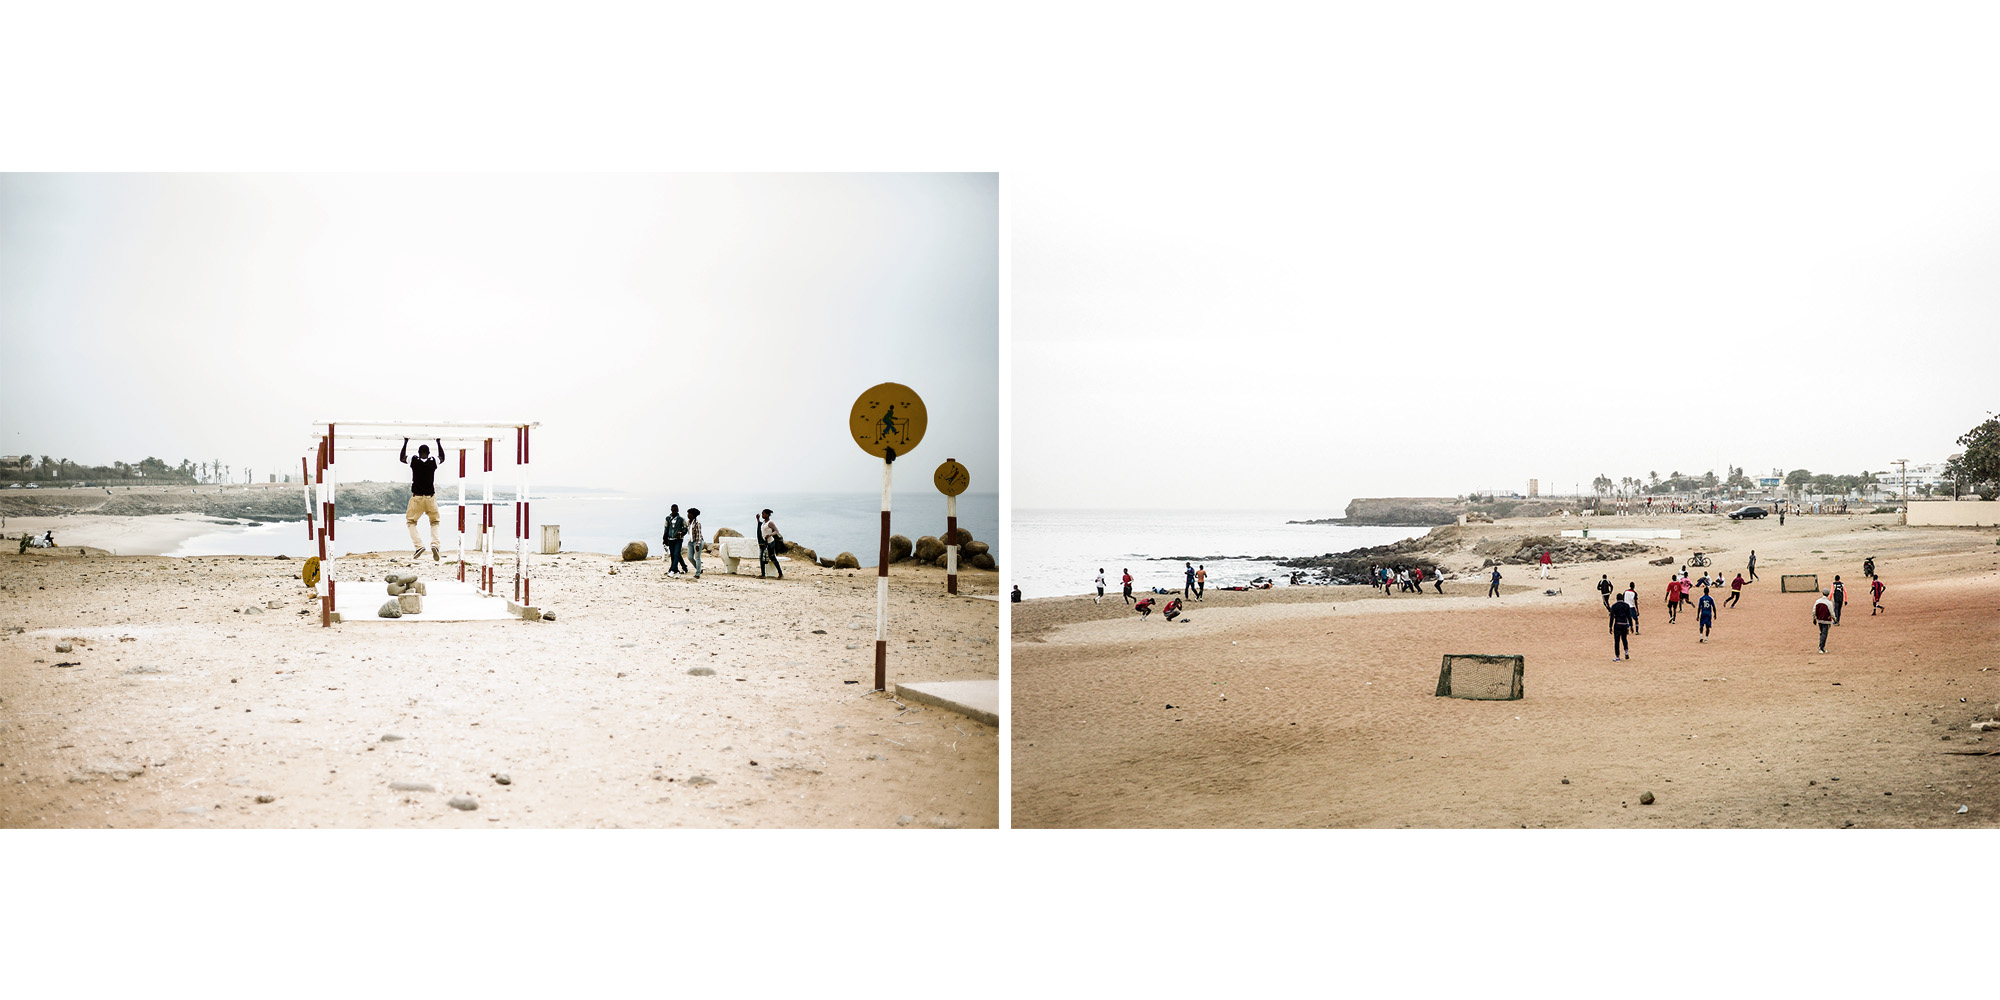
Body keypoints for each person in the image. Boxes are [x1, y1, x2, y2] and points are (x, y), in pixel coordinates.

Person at [398, 437, 445, 561]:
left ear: (418, 453)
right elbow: (442, 458)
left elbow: (402, 458)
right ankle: (435, 545)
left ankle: (419, 546)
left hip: (417, 498)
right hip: (430, 498)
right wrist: (438, 443)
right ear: (428, 453)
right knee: (435, 522)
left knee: (411, 522)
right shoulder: (433, 461)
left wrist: (405, 442)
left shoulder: (414, 460)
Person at [662, 504, 688, 577]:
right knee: (674, 555)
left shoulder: (681, 519)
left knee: (676, 554)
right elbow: (666, 529)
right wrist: (664, 539)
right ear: (671, 510)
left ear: (678, 510)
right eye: (673, 510)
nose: (674, 512)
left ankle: (673, 570)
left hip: (678, 539)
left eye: (675, 510)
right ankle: (681, 568)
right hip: (670, 539)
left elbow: (685, 529)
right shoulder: (668, 518)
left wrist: (681, 533)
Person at [757, 508, 784, 579]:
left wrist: (770, 535)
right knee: (762, 558)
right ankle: (763, 574)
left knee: (772, 558)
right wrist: (758, 520)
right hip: (764, 543)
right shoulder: (763, 522)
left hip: (770, 543)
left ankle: (780, 573)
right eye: (762, 514)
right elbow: (761, 529)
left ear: (767, 514)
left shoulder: (770, 522)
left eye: (763, 514)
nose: (762, 515)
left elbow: (777, 531)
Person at [1609, 593, 1635, 661]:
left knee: (1617, 641)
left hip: (1617, 624)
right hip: (1624, 624)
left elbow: (1612, 617)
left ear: (1616, 599)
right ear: (1623, 598)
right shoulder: (1626, 606)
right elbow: (1629, 616)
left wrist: (1610, 626)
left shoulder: (1614, 606)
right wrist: (1631, 626)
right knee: (1624, 639)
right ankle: (1626, 651)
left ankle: (1617, 657)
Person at [684, 508, 704, 580]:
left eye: (689, 513)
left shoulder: (697, 524)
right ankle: (699, 569)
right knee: (689, 557)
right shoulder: (688, 522)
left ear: (692, 515)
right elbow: (686, 530)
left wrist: (698, 545)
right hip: (690, 542)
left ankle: (697, 573)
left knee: (697, 557)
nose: (687, 515)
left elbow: (699, 535)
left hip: (697, 541)